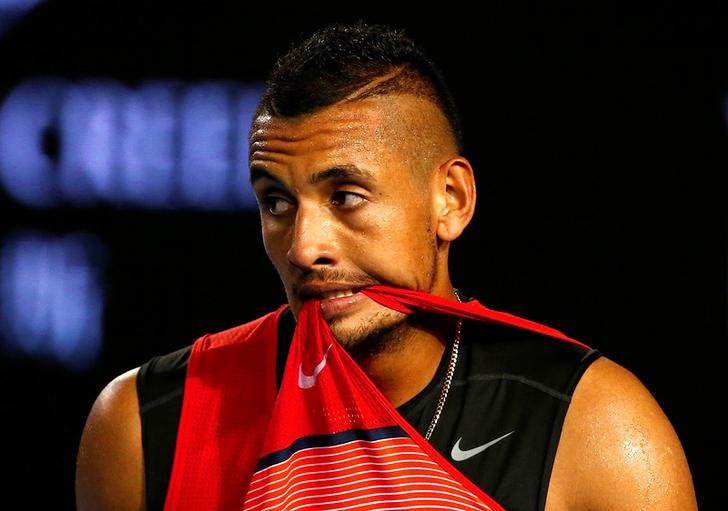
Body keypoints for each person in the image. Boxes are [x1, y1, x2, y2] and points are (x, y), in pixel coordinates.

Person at [76, 21, 698, 511]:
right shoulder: (145, 423)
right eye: (276, 202)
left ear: (449, 202)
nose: (303, 248)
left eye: (346, 196)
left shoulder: (598, 433)